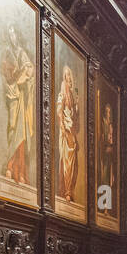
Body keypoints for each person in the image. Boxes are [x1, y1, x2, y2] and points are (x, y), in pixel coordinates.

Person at [1, 24, 35, 184]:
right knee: (12, 127)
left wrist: (26, 75)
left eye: (14, 34)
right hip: (12, 95)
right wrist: (14, 77)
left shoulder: (22, 54)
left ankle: (16, 169)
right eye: (10, 34)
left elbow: (30, 71)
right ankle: (10, 166)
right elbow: (6, 72)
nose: (12, 37)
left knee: (20, 134)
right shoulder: (8, 54)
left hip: (21, 97)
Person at [56, 65, 80, 201]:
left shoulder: (73, 96)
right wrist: (63, 127)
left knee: (73, 163)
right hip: (65, 131)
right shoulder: (62, 95)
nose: (67, 78)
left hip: (72, 131)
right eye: (65, 76)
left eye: (69, 75)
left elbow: (75, 117)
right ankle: (66, 191)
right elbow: (59, 112)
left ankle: (70, 189)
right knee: (66, 161)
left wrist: (76, 106)